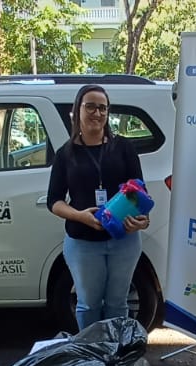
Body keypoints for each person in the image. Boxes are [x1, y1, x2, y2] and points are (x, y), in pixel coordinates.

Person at [46, 84, 150, 331]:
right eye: (90, 106)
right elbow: (54, 201)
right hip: (82, 242)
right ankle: (92, 358)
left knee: (117, 304)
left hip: (124, 240)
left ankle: (115, 357)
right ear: (77, 110)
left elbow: (139, 193)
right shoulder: (65, 154)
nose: (97, 113)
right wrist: (79, 216)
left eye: (103, 108)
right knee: (89, 305)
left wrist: (143, 220)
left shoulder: (123, 148)